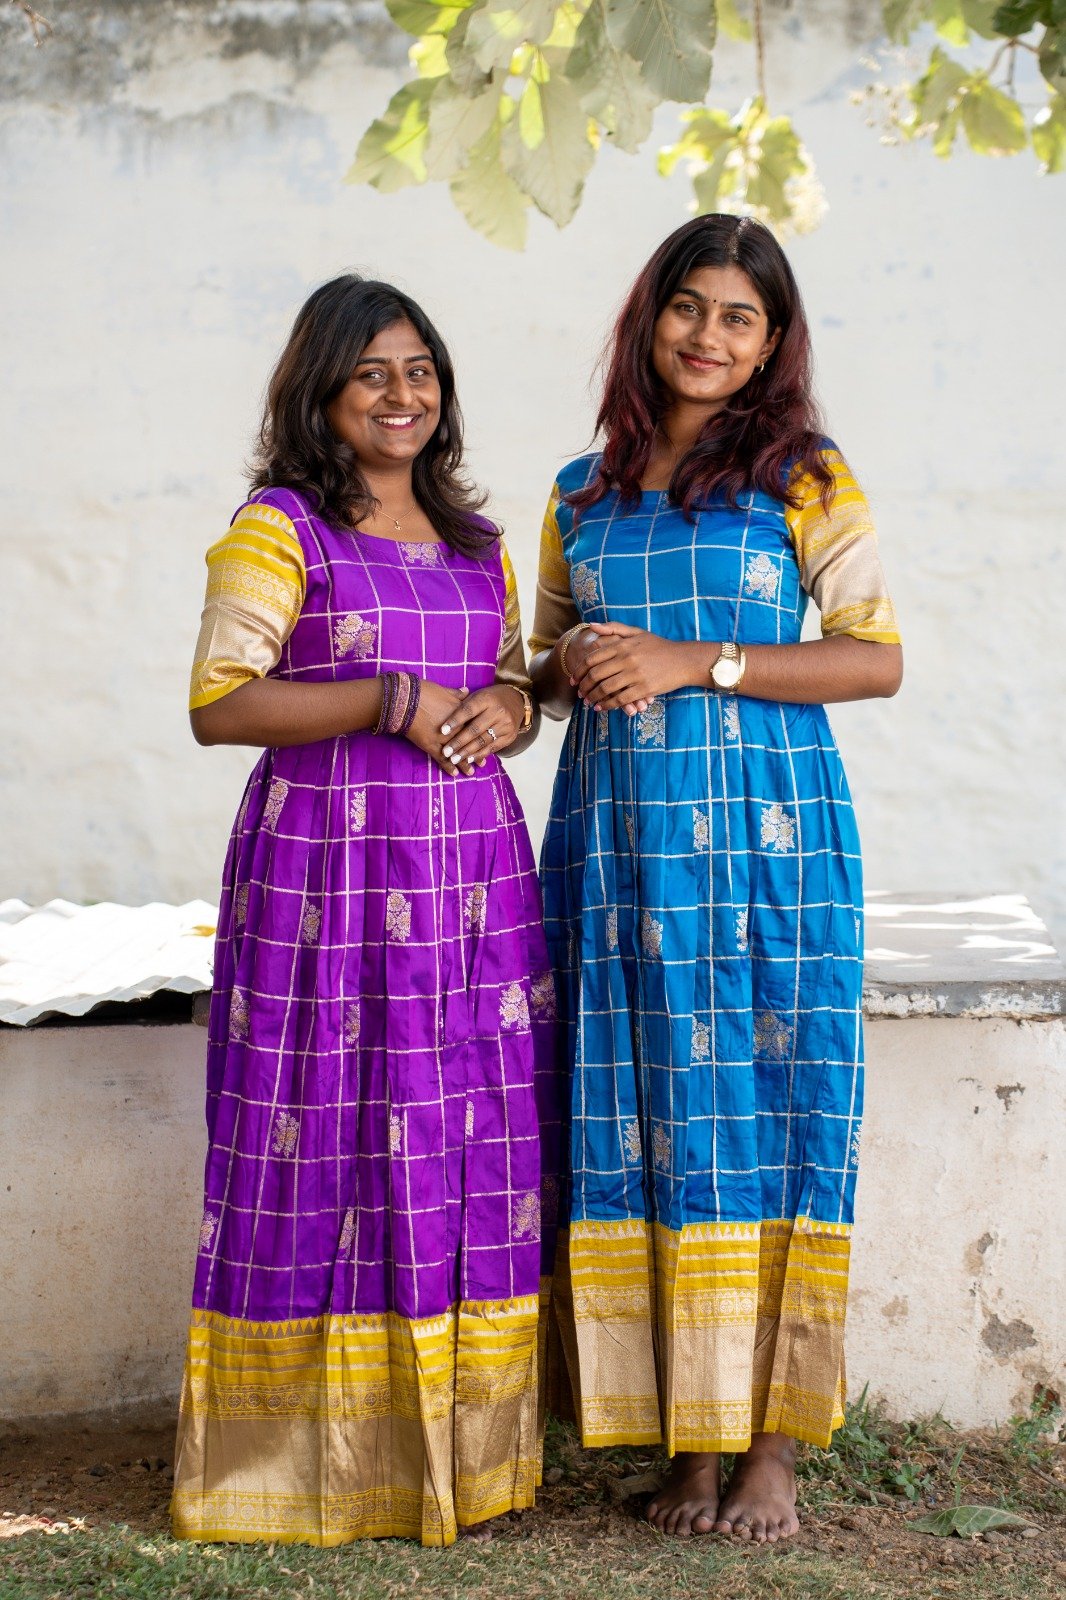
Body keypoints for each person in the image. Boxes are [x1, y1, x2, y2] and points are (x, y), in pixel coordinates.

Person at [528, 215, 902, 1545]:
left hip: (765, 841)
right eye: (687, 307)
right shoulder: (580, 490)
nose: (707, 334)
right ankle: (685, 1440)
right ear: (649, 320)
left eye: (739, 317)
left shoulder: (803, 476)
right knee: (646, 1111)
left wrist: (696, 661)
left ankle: (772, 1453)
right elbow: (546, 669)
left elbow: (873, 659)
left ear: (770, 345)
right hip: (618, 843)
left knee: (770, 1105)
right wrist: (548, 676)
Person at [171, 275, 558, 1549]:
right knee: (319, 1134)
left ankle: (459, 1453)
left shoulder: (478, 541)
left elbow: (503, 684)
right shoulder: (279, 527)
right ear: (322, 395)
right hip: (324, 887)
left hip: (470, 888)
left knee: (462, 1136)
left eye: (420, 371)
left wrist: (513, 707)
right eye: (372, 375)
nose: (402, 396)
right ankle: (295, 1466)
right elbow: (222, 701)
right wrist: (386, 700)